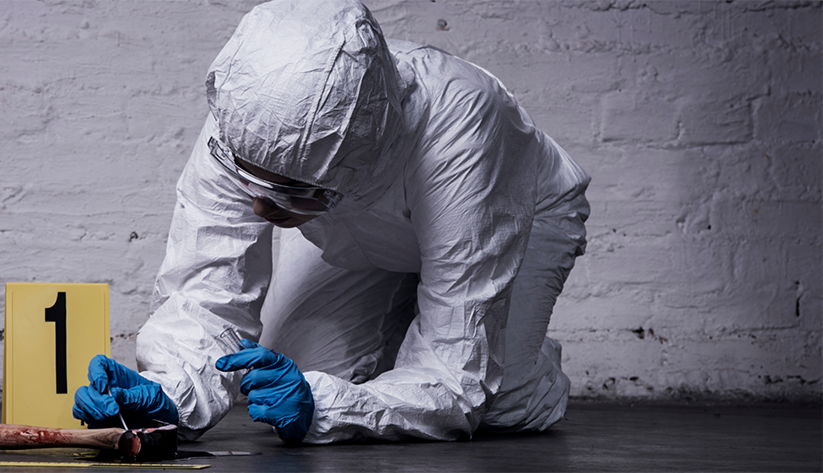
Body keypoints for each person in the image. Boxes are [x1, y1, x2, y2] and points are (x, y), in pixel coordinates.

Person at [72, 0, 590, 444]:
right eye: (248, 182)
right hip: (348, 223)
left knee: (491, 400)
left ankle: (526, 368)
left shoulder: (463, 127)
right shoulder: (249, 114)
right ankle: (403, 350)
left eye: (284, 191)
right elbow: (209, 286)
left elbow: (453, 375)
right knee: (296, 369)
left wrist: (329, 408)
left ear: (358, 157)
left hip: (514, 216)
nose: (257, 208)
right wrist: (170, 393)